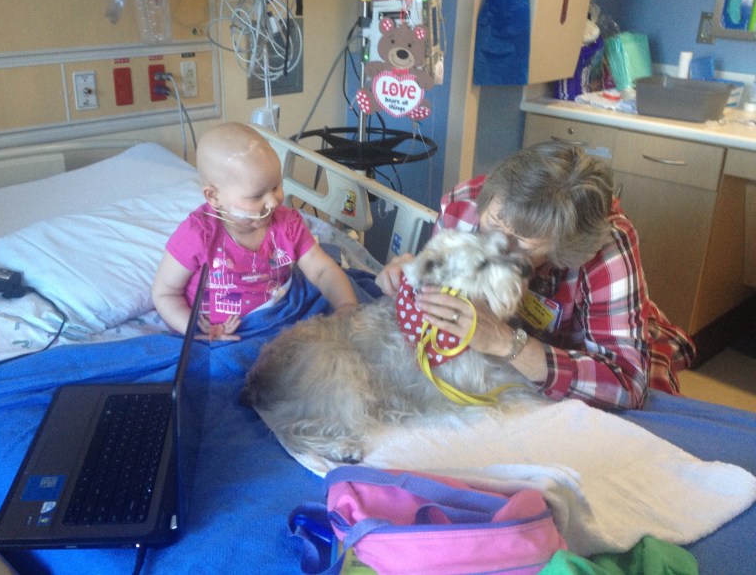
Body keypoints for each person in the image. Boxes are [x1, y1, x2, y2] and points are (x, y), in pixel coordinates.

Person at [376, 144, 695, 410]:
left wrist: (507, 344)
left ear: (565, 249)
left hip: (580, 356)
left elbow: (626, 384)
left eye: (523, 241)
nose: (500, 244)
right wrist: (414, 274)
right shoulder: (467, 202)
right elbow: (449, 296)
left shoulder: (607, 246)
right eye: (494, 224)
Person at [152, 122, 358, 340]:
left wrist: (346, 306)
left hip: (284, 313)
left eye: (276, 187)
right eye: (257, 196)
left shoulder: (287, 224)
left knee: (339, 313)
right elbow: (165, 293)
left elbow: (322, 270)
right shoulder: (198, 235)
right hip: (227, 335)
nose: (273, 202)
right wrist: (194, 330)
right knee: (224, 360)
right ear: (214, 197)